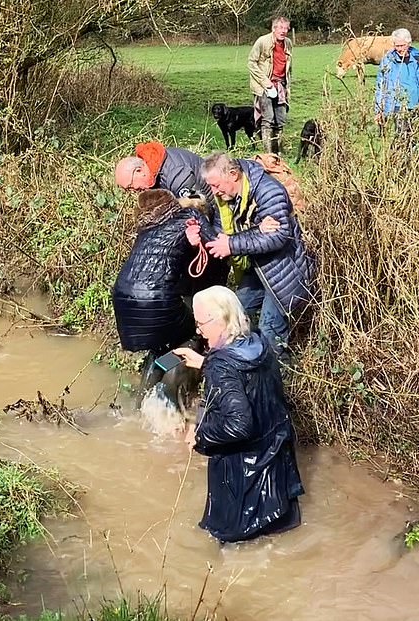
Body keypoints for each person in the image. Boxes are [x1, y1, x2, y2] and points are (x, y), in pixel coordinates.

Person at [174, 286, 304, 543]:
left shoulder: (222, 366)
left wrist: (199, 434)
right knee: (275, 541)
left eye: (200, 324)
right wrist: (205, 362)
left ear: (220, 319)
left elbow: (238, 425)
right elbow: (245, 378)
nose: (198, 331)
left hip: (244, 483)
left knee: (233, 553)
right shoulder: (257, 341)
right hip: (276, 473)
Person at [186, 152, 314, 360]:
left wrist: (233, 244)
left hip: (283, 270)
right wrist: (199, 232)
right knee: (234, 310)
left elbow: (279, 236)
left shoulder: (268, 191)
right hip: (257, 265)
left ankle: (278, 378)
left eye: (216, 185)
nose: (214, 192)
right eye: (210, 186)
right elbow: (222, 233)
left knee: (269, 329)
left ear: (234, 174)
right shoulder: (227, 197)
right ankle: (241, 363)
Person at [112, 189, 217, 408]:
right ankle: (171, 400)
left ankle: (141, 402)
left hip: (122, 296)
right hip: (156, 298)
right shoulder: (190, 216)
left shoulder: (147, 225)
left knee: (160, 345)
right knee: (192, 336)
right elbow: (216, 245)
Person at [116, 141, 229, 291]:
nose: (133, 191)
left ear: (139, 171)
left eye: (131, 186)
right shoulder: (154, 172)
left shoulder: (176, 172)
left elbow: (198, 206)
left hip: (218, 214)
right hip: (203, 216)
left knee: (209, 275)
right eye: (127, 190)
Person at [248, 16, 292, 154]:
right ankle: (268, 155)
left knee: (280, 120)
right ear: (274, 29)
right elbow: (251, 62)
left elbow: (289, 67)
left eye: (286, 28)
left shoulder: (288, 43)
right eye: (280, 28)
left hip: (280, 86)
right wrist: (265, 82)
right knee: (268, 120)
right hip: (264, 86)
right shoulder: (262, 41)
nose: (283, 31)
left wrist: (287, 87)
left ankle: (278, 153)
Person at [374, 28, 419, 137]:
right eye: (396, 46)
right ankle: (400, 152)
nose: (399, 49)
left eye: (402, 45)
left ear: (409, 44)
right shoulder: (388, 60)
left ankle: (411, 153)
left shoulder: (417, 59)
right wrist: (378, 109)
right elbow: (381, 85)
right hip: (397, 104)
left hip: (415, 104)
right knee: (401, 135)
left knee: (413, 135)